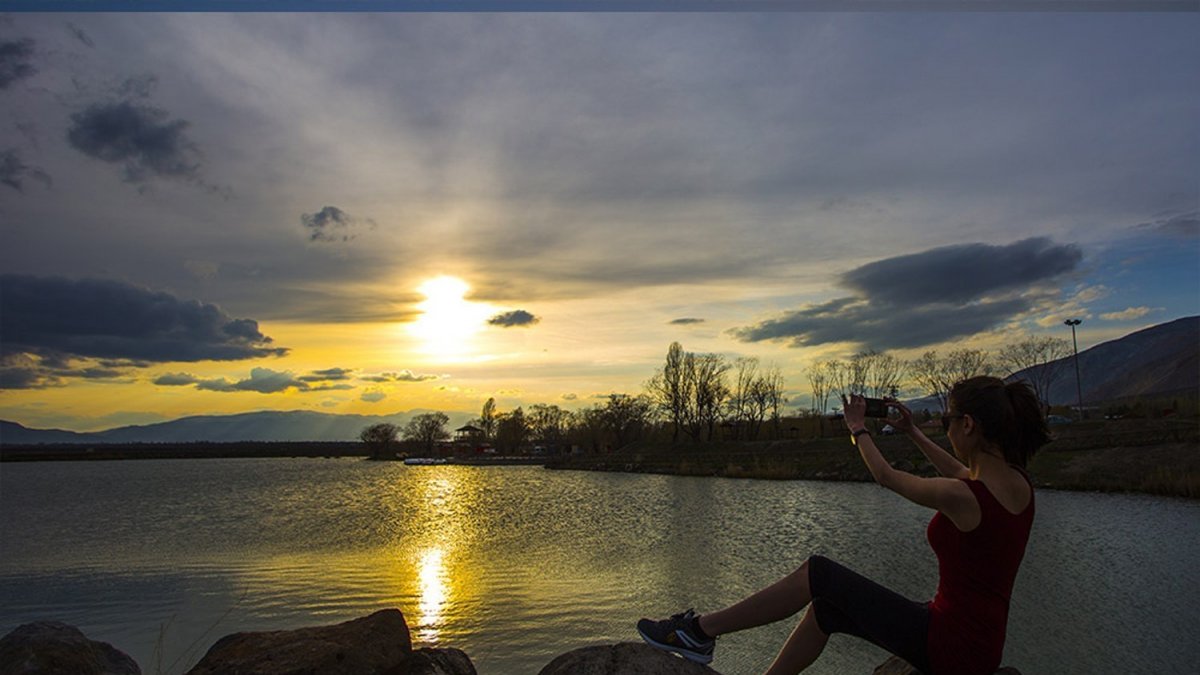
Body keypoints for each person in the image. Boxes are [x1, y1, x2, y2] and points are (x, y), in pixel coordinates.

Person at [637, 376, 1050, 675]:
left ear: (968, 425)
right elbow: (961, 471)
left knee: (818, 572)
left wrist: (857, 428)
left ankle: (699, 631)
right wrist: (912, 432)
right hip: (977, 646)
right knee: (826, 608)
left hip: (950, 647)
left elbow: (886, 476)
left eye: (947, 423)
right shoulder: (1017, 486)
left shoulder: (963, 496)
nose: (947, 430)